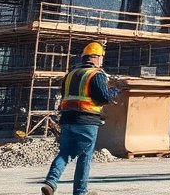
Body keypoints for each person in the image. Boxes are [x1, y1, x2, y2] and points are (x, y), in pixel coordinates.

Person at [42, 42, 120, 195]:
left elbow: (64, 95)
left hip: (67, 119)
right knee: (85, 156)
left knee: (65, 152)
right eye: (101, 58)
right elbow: (103, 98)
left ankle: (51, 181)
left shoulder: (70, 75)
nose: (102, 61)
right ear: (96, 57)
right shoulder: (95, 74)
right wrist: (115, 92)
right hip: (87, 121)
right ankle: (80, 191)